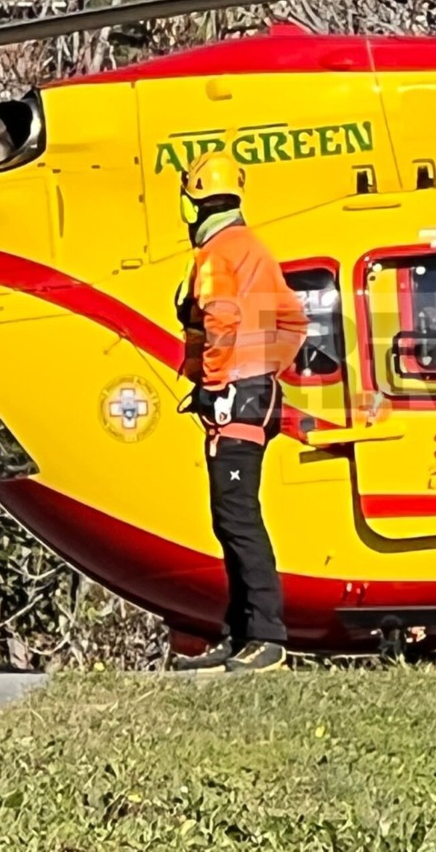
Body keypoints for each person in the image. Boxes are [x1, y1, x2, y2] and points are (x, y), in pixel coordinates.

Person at [170, 151, 309, 673]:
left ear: (193, 202)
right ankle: (239, 633)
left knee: (237, 517)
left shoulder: (217, 255)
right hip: (253, 396)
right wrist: (263, 371)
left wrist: (217, 382)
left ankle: (267, 637)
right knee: (230, 518)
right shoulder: (253, 249)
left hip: (235, 403)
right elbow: (294, 322)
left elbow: (222, 320)